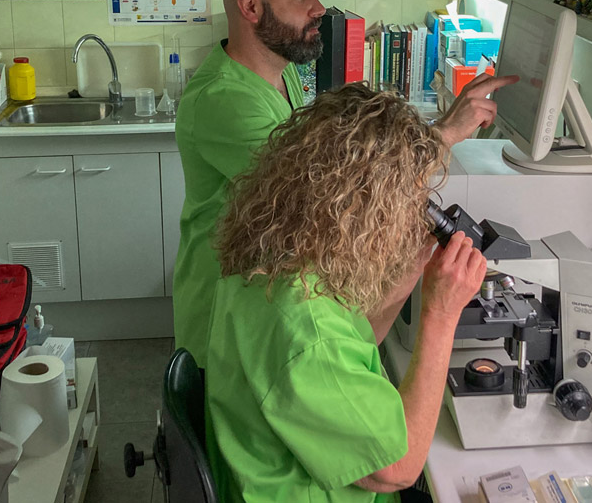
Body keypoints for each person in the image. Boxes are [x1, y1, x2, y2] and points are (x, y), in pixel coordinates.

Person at [172, 0, 518, 367]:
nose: (318, 8)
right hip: (225, 329)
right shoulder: (224, 100)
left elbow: (328, 158)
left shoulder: (283, 74)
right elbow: (326, 186)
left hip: (267, 305)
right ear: (250, 7)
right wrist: (444, 133)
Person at [205, 84, 486, 502]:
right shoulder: (307, 329)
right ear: (360, 208)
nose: (415, 210)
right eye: (406, 199)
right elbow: (399, 467)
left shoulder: (279, 260)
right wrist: (440, 314)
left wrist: (412, 269)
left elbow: (358, 340)